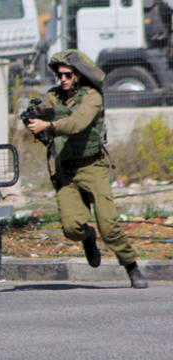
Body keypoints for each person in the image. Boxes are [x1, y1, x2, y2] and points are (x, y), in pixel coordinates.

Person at [26, 49, 148, 289]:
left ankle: (131, 266)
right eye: (60, 75)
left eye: (68, 75)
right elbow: (43, 110)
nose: (63, 80)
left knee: (110, 226)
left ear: (79, 75)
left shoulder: (92, 97)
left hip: (92, 166)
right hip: (66, 171)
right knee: (72, 228)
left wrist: (48, 124)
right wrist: (33, 118)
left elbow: (76, 123)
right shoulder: (54, 96)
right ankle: (87, 237)